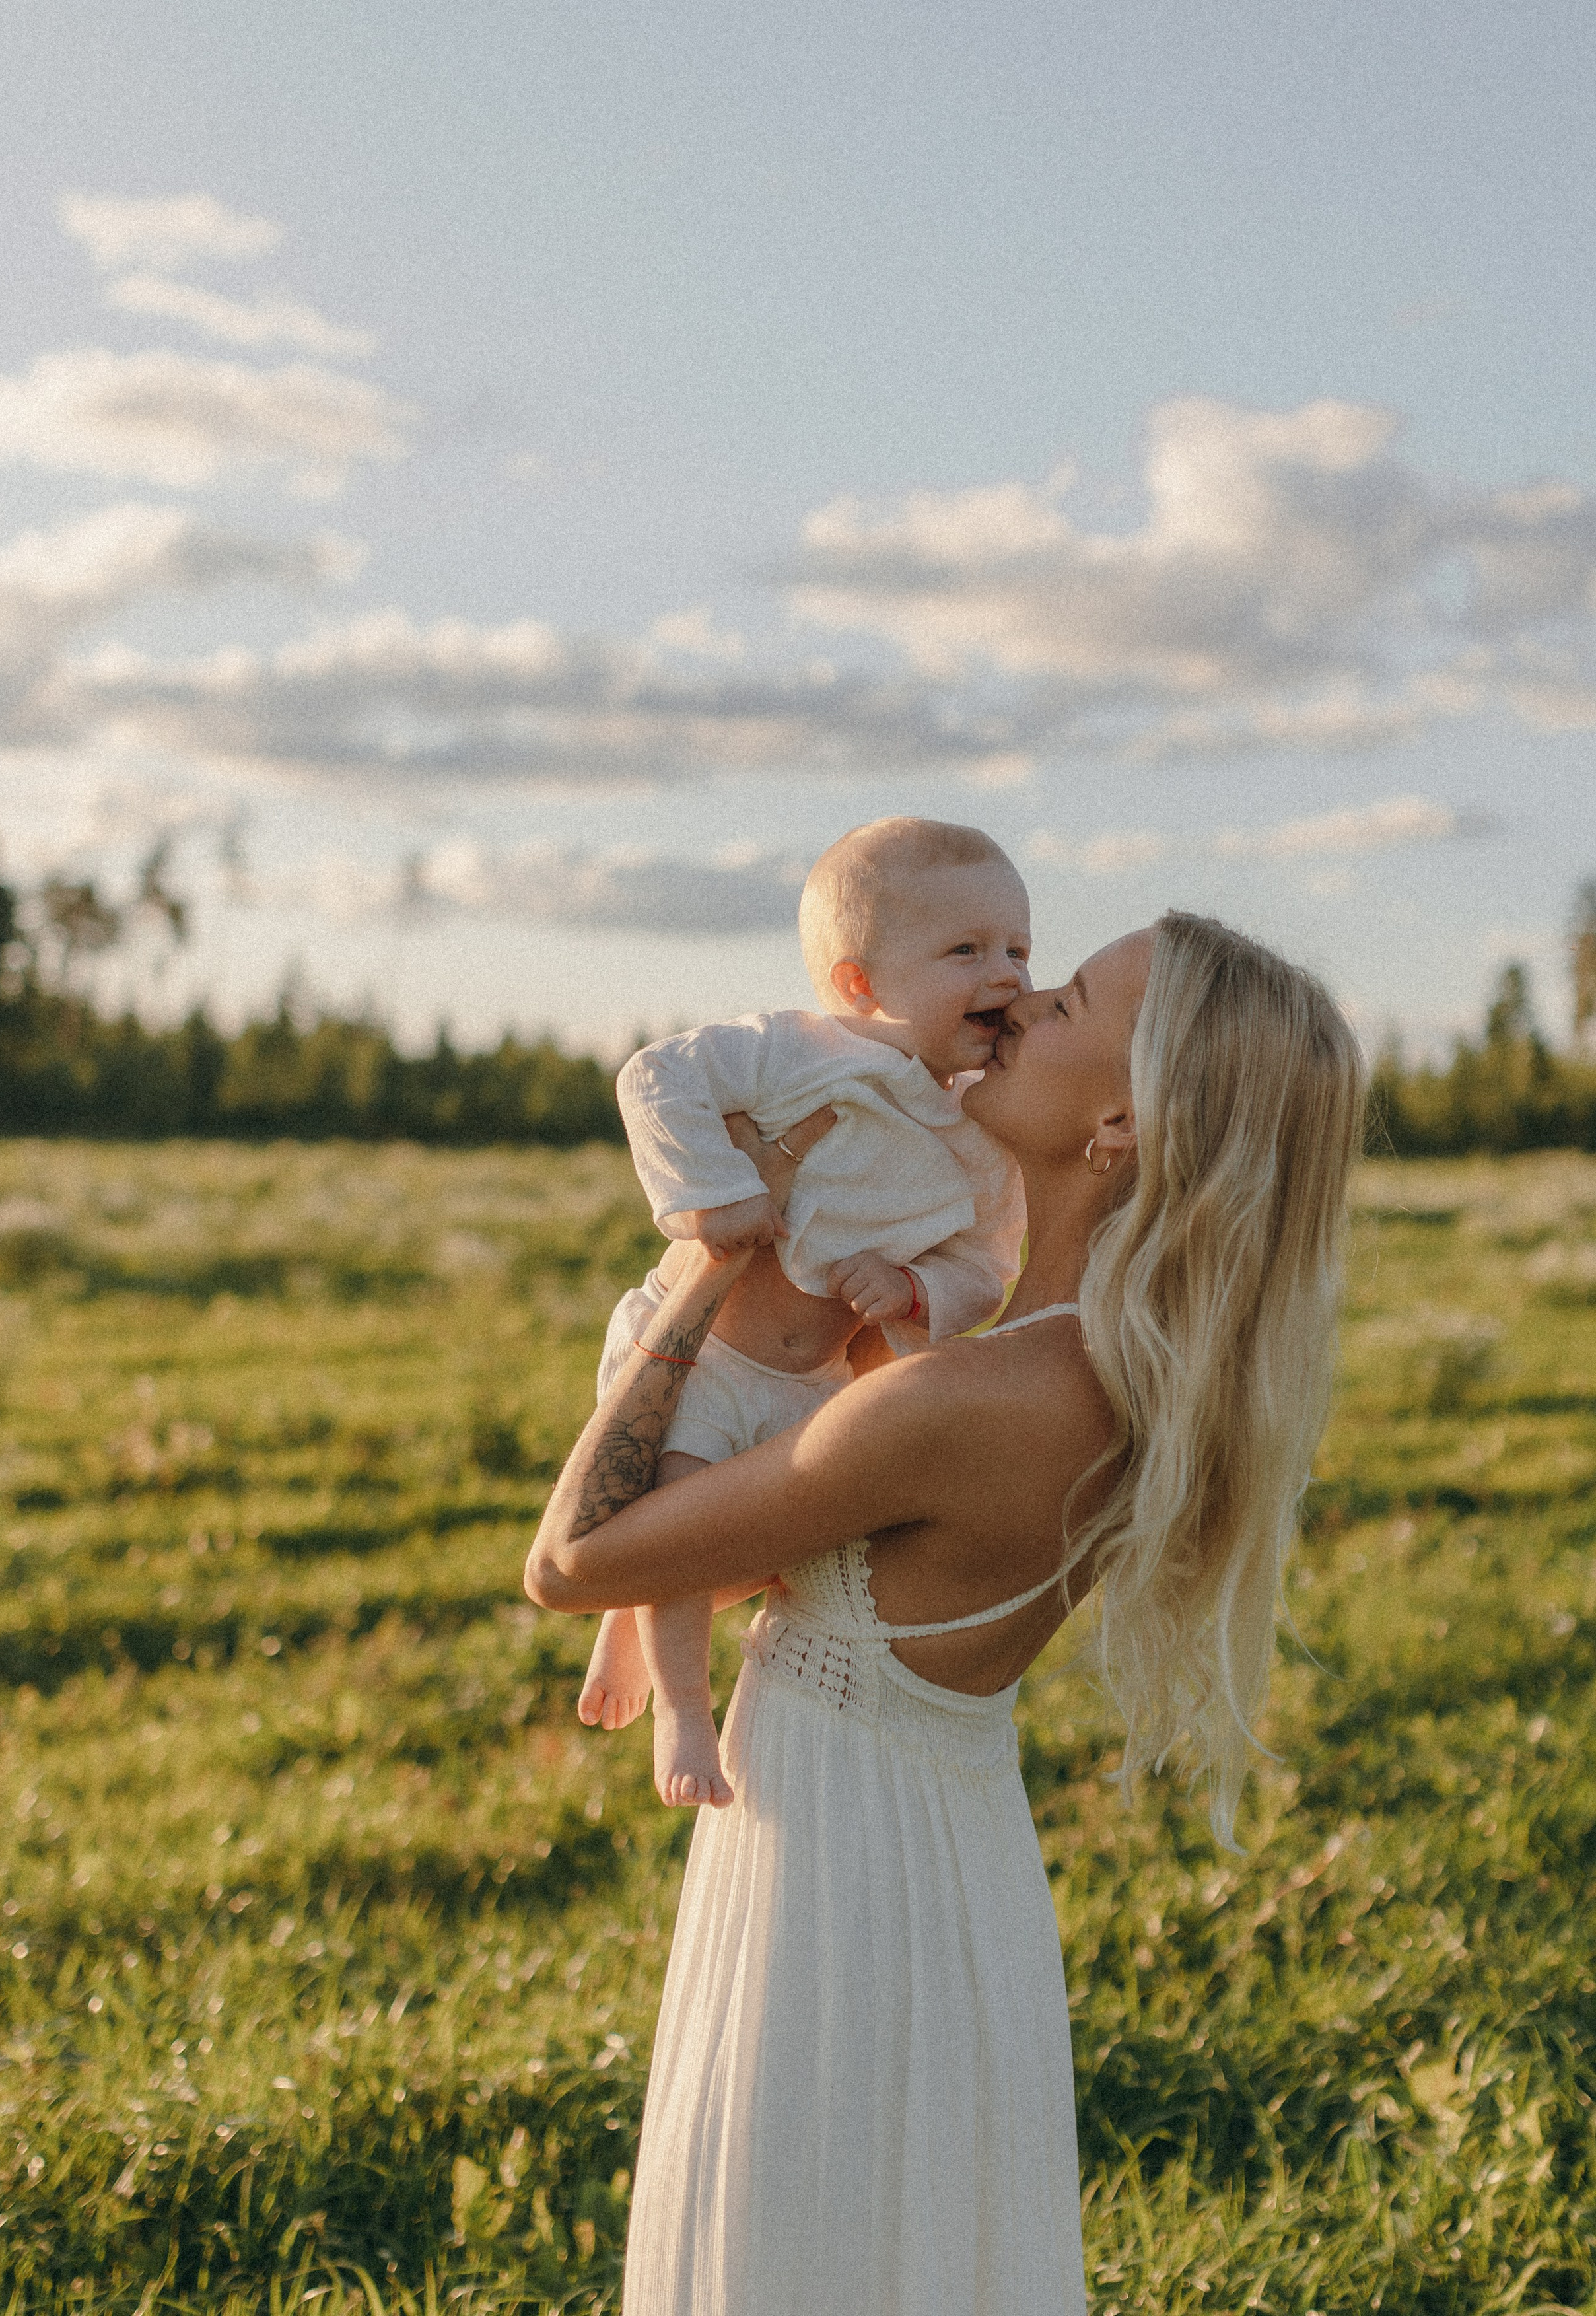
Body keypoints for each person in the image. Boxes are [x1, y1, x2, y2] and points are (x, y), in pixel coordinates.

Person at [527, 911, 1366, 2316]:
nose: (1018, 1001)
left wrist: (713, 1249)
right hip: (941, 1864)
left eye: (1068, 1000)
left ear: (1118, 1123)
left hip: (841, 1884)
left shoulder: (962, 1402)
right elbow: (747, 1553)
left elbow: (573, 1559)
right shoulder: (1105, 1377)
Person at [580, 817, 1032, 1809]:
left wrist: (917, 1293)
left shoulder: (977, 1141)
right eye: (965, 949)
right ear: (861, 982)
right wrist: (708, 1192)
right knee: (679, 1509)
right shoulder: (794, 1048)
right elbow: (655, 1078)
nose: (1003, 972)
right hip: (706, 1350)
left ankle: (638, 1614)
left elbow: (985, 1264)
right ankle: (684, 1711)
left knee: (751, 1542)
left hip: (814, 1379)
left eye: (1018, 949)